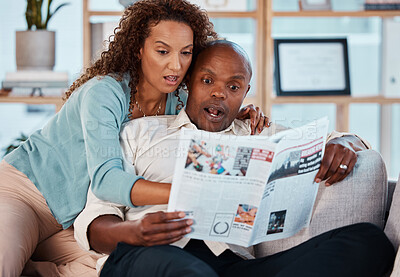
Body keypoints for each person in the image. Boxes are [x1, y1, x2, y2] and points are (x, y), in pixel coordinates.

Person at [74, 40, 395, 276]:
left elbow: (339, 139)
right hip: (148, 255)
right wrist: (135, 233)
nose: (219, 93)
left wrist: (346, 143)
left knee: (368, 242)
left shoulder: (259, 134)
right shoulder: (139, 133)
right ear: (188, 82)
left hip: (233, 265)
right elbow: (95, 221)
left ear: (245, 92)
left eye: (233, 86)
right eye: (208, 80)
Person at [0, 1, 269, 275]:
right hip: (28, 194)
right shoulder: (104, 93)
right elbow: (107, 181)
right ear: (139, 49)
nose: (176, 64)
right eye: (163, 51)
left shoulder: (178, 100)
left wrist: (239, 114)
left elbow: (210, 109)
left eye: (185, 53)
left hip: (73, 217)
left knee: (110, 268)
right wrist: (190, 189)